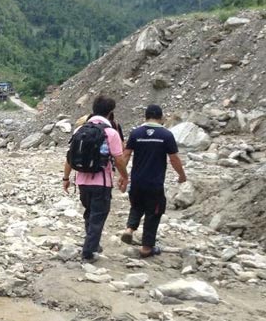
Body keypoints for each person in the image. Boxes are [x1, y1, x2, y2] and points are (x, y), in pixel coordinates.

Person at [63, 95, 129, 261]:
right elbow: (119, 159)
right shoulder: (110, 133)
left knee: (89, 213)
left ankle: (92, 243)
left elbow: (69, 157)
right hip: (102, 182)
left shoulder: (80, 130)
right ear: (110, 113)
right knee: (98, 216)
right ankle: (88, 251)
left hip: (82, 181)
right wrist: (125, 176)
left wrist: (66, 178)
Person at [120, 104, 187, 257]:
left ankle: (129, 229)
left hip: (137, 181)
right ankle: (146, 247)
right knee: (154, 212)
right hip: (154, 183)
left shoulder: (136, 133)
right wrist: (181, 175)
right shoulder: (166, 135)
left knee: (136, 206)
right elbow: (174, 158)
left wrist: (123, 176)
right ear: (161, 118)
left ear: (145, 117)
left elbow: (126, 155)